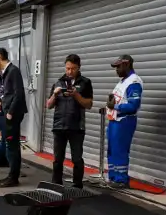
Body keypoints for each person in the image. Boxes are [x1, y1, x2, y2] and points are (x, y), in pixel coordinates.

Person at [45, 53, 95, 188]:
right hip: (59, 125)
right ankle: (56, 184)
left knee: (77, 158)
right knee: (57, 159)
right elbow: (48, 105)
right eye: (67, 68)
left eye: (73, 68)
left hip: (76, 127)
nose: (69, 71)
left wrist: (76, 95)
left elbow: (89, 104)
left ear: (78, 67)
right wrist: (55, 94)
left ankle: (77, 185)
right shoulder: (58, 82)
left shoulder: (85, 82)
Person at [104, 54, 142, 188]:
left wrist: (114, 106)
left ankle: (121, 180)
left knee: (120, 150)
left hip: (125, 121)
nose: (116, 70)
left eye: (118, 67)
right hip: (115, 121)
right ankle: (113, 177)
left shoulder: (134, 82)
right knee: (112, 150)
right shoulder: (122, 81)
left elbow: (133, 106)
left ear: (126, 65)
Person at [0, 47, 27, 187]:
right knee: (9, 144)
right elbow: (9, 94)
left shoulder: (13, 71)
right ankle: (11, 175)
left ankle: (13, 177)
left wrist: (10, 112)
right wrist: (1, 103)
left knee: (11, 145)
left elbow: (19, 94)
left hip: (14, 114)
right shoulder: (5, 73)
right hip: (8, 112)